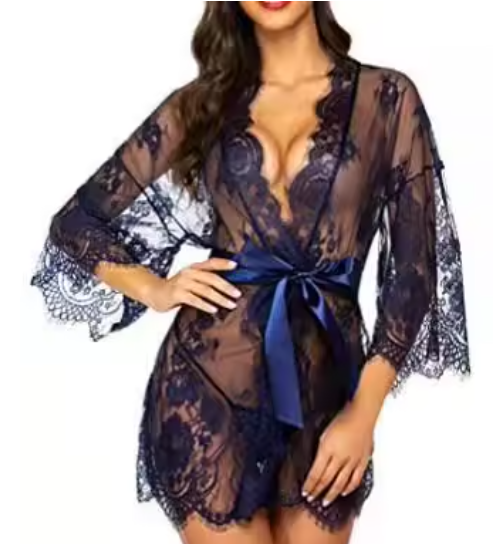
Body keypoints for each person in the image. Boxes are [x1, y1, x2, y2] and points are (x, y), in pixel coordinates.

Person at [29, 2, 471, 544]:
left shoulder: (387, 98)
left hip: (328, 395)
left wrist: (365, 411)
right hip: (209, 387)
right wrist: (156, 288)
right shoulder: (202, 105)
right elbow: (77, 223)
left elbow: (414, 273)